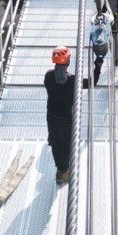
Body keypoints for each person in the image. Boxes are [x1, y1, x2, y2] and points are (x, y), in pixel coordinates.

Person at [43, 46, 79, 184]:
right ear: (68, 62)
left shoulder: (48, 76)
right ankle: (63, 173)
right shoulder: (72, 81)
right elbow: (91, 82)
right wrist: (98, 65)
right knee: (64, 146)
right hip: (65, 119)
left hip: (52, 116)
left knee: (56, 140)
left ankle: (53, 141)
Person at [89, 12, 112, 83]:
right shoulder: (99, 51)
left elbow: (93, 34)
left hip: (101, 46)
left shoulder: (102, 52)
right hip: (100, 46)